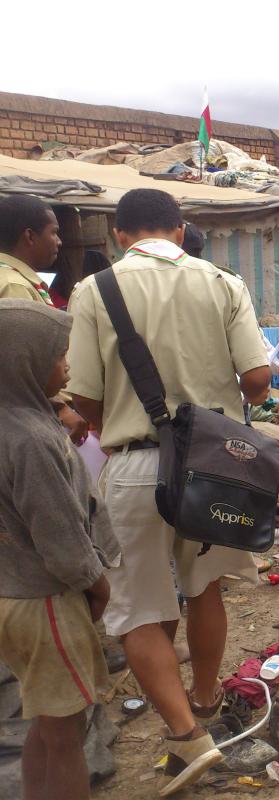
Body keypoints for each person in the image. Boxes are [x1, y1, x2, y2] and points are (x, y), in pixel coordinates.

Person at [67, 188, 272, 794]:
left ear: (118, 235)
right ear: (180, 231)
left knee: (137, 610)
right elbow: (258, 379)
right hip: (214, 466)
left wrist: (121, 421)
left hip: (134, 467)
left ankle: (186, 735)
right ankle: (203, 701)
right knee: (206, 591)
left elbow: (81, 399)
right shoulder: (222, 282)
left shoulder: (94, 290)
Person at [0, 299, 120, 800]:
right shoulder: (29, 440)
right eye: (58, 356)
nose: (67, 365)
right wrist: (97, 584)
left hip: (19, 597)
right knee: (67, 736)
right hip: (47, 601)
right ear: (24, 362)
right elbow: (61, 538)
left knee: (46, 726)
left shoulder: (18, 421)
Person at [0, 196, 89, 446]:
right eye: (54, 233)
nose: (59, 242)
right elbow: (21, 368)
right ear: (29, 236)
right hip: (30, 420)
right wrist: (60, 408)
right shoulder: (14, 287)